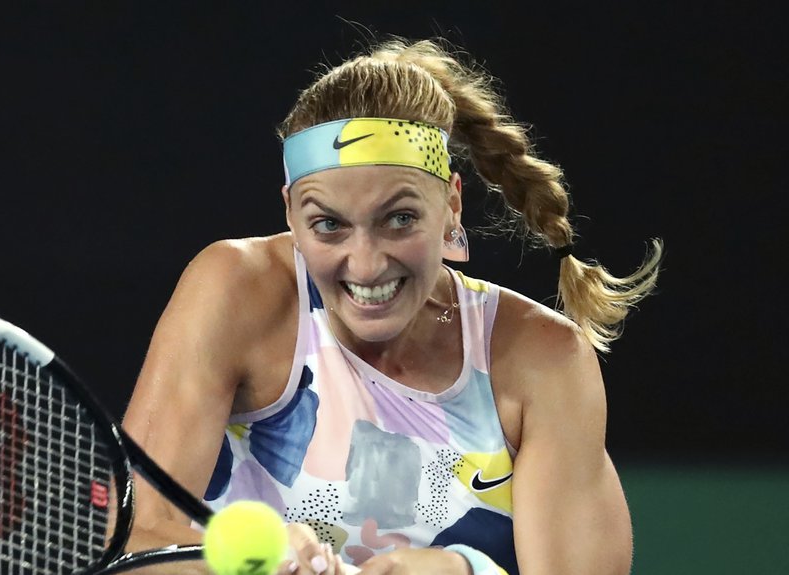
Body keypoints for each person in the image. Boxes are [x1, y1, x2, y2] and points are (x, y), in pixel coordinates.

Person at [121, 36, 662, 575]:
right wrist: (246, 561)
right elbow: (132, 536)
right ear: (290, 213)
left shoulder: (543, 358)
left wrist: (462, 571)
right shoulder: (237, 289)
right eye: (328, 224)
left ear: (451, 205)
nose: (366, 265)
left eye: (399, 219)